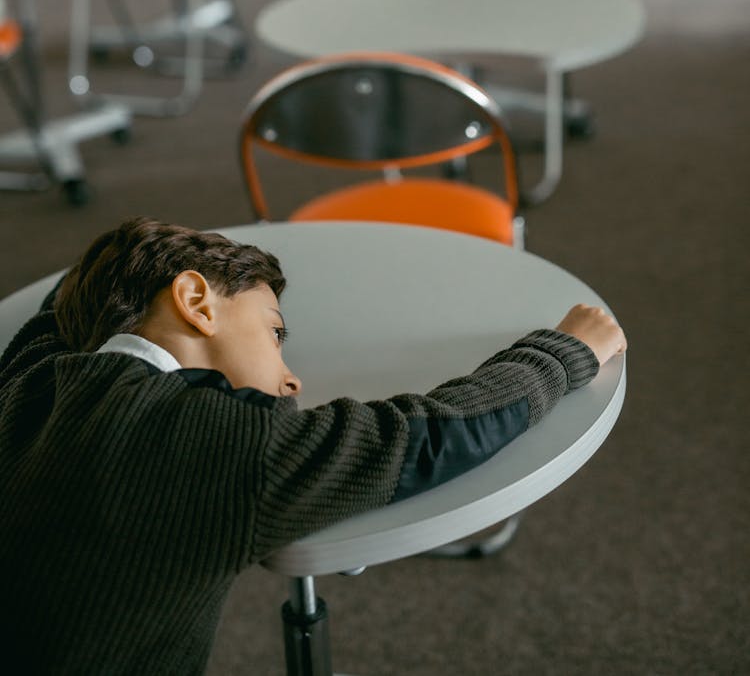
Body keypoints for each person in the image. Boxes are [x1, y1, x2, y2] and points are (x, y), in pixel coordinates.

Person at [0, 216, 626, 675]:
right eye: (274, 333)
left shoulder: (27, 382)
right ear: (194, 301)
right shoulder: (223, 442)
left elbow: (59, 305)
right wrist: (565, 350)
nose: (291, 377)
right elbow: (435, 433)